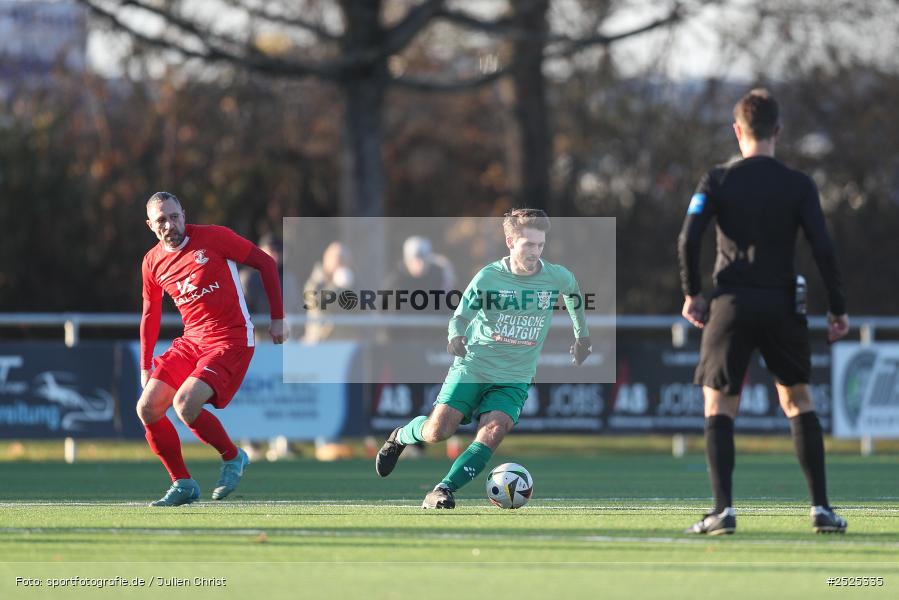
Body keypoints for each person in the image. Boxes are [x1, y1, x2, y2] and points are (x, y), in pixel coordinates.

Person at [677, 89, 850, 534]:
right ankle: (821, 509)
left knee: (719, 404)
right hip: (782, 304)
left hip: (731, 303)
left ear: (737, 131)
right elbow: (823, 247)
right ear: (778, 130)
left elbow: (689, 238)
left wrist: (693, 292)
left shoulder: (717, 180)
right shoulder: (799, 184)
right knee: (798, 400)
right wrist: (837, 307)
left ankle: (723, 510)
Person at [375, 208, 592, 508]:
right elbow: (460, 316)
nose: (535, 251)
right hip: (474, 366)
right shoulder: (489, 277)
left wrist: (582, 338)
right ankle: (401, 436)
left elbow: (573, 294)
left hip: (515, 376)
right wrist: (455, 337)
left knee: (494, 429)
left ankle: (443, 489)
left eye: (541, 244)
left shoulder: (556, 276)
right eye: (529, 244)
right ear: (510, 242)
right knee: (438, 431)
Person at [138, 192, 285, 506]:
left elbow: (266, 263)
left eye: (174, 216)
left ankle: (233, 457)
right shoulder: (152, 262)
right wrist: (145, 364)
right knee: (147, 408)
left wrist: (278, 318)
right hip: (191, 341)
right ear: (150, 225)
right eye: (161, 220)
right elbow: (151, 314)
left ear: (183, 214)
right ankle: (182, 483)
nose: (170, 224)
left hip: (231, 339)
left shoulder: (214, 238)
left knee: (185, 404)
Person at [240, 233, 301, 338]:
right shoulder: (248, 279)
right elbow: (243, 313)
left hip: (283, 338)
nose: (275, 256)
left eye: (278, 251)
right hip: (256, 339)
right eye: (271, 250)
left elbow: (295, 308)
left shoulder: (288, 279)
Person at [302, 241, 354, 343]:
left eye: (344, 260)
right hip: (319, 341)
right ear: (327, 259)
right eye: (338, 259)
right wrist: (336, 285)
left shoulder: (352, 281)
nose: (341, 264)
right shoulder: (316, 281)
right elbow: (318, 304)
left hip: (344, 342)